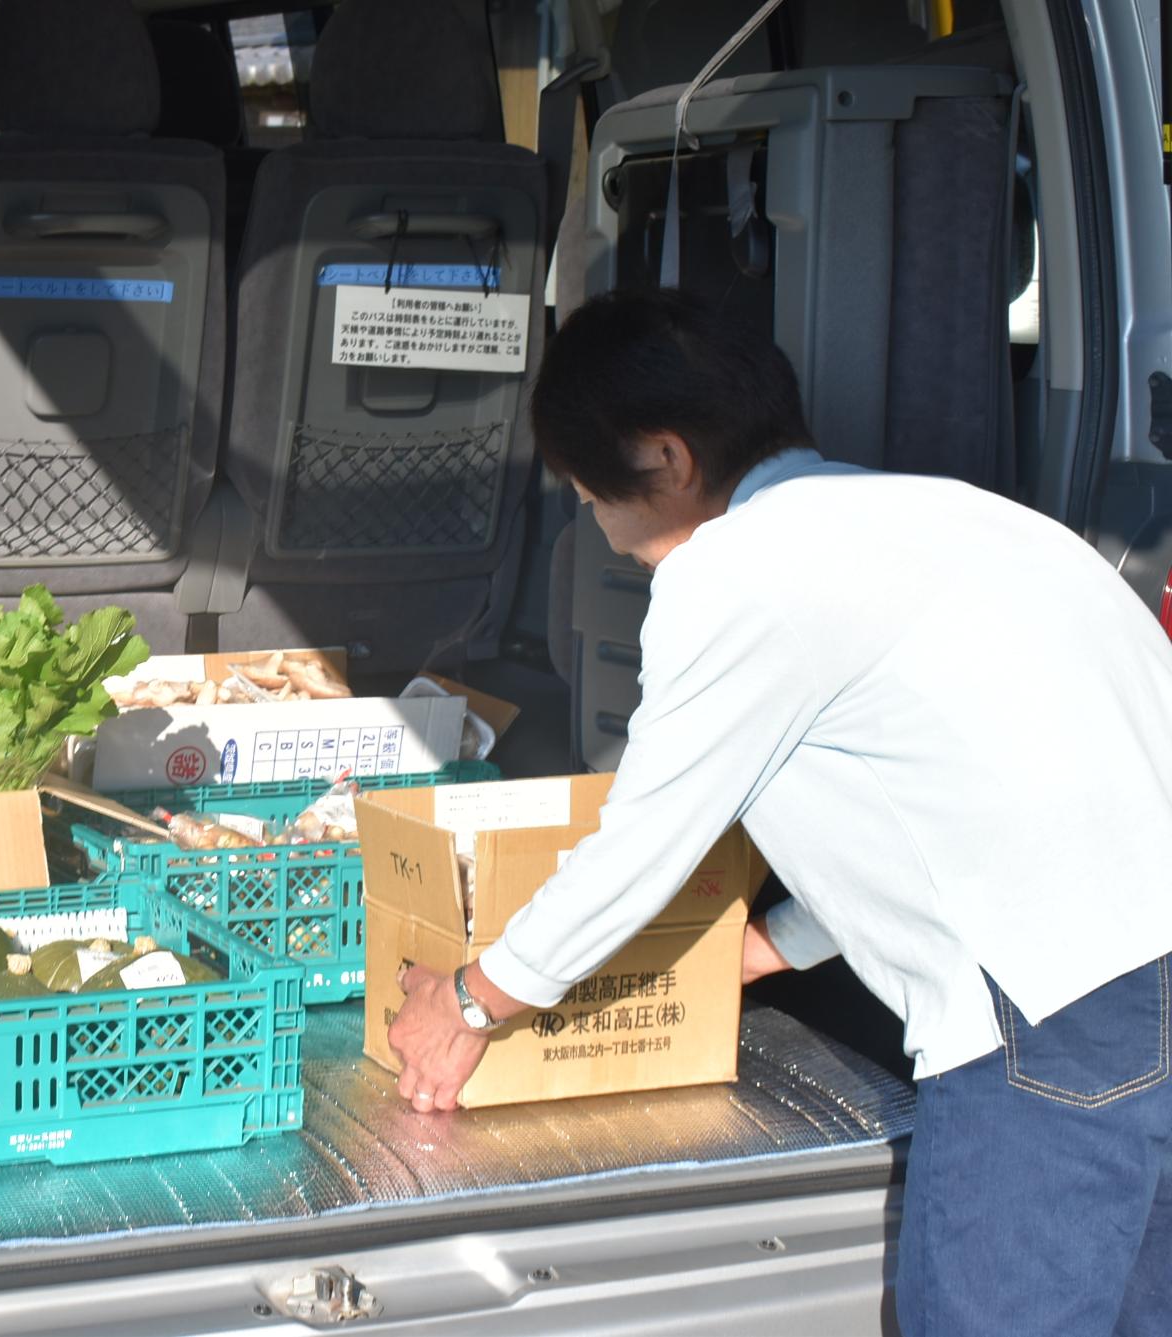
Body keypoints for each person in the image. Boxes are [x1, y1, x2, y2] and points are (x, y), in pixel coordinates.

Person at [386, 287, 1172, 1336]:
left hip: (1049, 1021)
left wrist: (472, 1001)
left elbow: (643, 842)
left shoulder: (735, 573)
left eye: (590, 492)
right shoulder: (952, 514)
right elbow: (950, 798)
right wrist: (771, 943)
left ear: (661, 460)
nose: (601, 529)